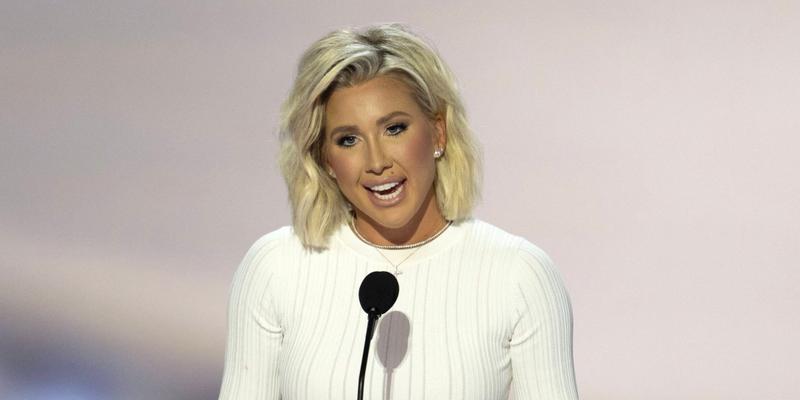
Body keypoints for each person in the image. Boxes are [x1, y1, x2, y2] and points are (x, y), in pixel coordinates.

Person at [218, 24, 579, 400]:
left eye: (394, 129)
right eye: (348, 140)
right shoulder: (276, 268)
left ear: (438, 133)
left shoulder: (519, 276)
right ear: (325, 158)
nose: (376, 163)